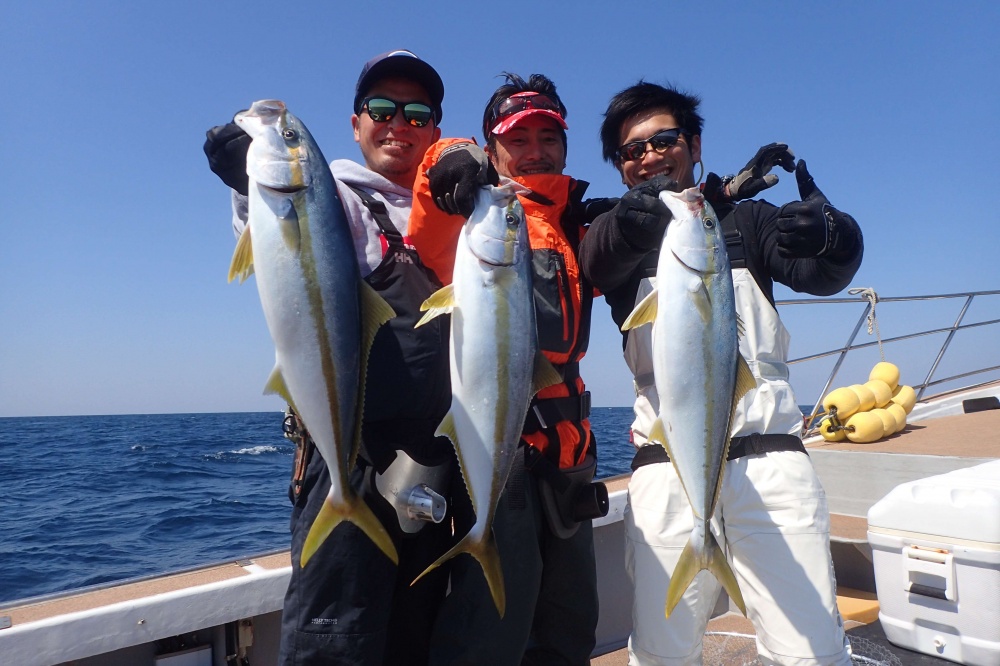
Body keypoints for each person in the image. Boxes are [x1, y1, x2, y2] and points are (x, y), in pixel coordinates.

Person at [578, 81, 864, 666]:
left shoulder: (746, 221)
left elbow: (821, 274)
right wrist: (629, 224)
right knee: (661, 655)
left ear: (694, 145)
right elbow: (597, 258)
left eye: (664, 140)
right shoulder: (618, 230)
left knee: (811, 653)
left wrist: (837, 236)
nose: (650, 156)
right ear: (620, 166)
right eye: (632, 150)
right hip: (666, 471)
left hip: (770, 464)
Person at [203, 49, 456, 666]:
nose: (398, 124)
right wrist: (244, 180)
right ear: (356, 123)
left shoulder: (456, 214)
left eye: (417, 114)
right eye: (381, 108)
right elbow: (272, 232)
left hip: (435, 466)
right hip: (351, 456)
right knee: (335, 643)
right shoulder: (334, 195)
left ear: (435, 130)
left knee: (416, 638)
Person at [407, 72, 609, 666]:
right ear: (492, 149)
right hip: (501, 452)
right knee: (489, 634)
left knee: (570, 627)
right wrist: (451, 158)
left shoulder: (579, 224)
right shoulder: (471, 212)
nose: (535, 150)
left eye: (548, 137)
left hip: (572, 459)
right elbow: (429, 213)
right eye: (517, 139)